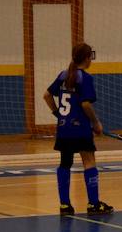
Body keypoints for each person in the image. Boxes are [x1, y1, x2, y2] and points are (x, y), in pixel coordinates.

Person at [42, 43, 112, 216]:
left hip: (64, 129)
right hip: (80, 128)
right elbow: (85, 104)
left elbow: (46, 95)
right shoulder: (85, 78)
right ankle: (93, 204)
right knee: (89, 161)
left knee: (65, 163)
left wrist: (58, 114)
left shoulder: (64, 75)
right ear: (87, 58)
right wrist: (96, 123)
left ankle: (65, 205)